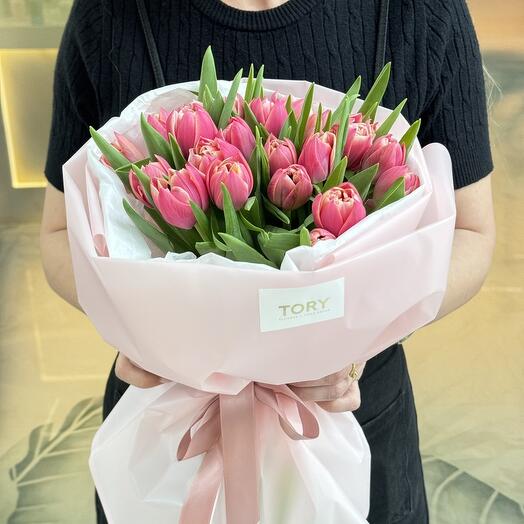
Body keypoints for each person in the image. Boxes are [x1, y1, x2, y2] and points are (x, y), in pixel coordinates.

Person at [40, 0, 496, 522]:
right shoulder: (110, 15)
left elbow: (471, 232)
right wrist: (139, 328)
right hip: (167, 430)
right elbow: (57, 235)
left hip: (351, 414)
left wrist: (353, 338)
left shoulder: (419, 12)